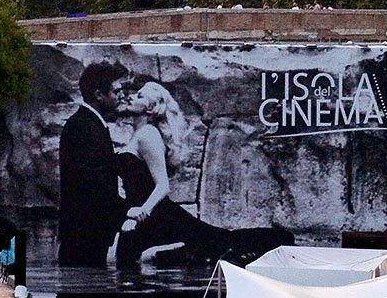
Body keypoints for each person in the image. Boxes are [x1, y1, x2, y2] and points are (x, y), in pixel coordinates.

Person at [113, 81, 293, 266]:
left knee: (221, 241)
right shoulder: (139, 134)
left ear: (150, 109)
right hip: (144, 214)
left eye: (140, 95)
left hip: (154, 215)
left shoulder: (148, 135)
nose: (131, 96)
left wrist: (140, 214)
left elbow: (163, 186)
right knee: (217, 239)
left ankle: (168, 252)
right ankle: (170, 252)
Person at [58, 62, 130, 266]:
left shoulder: (90, 124)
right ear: (99, 95)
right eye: (116, 91)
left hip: (88, 230)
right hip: (83, 232)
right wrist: (125, 210)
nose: (122, 96)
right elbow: (93, 180)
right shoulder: (84, 127)